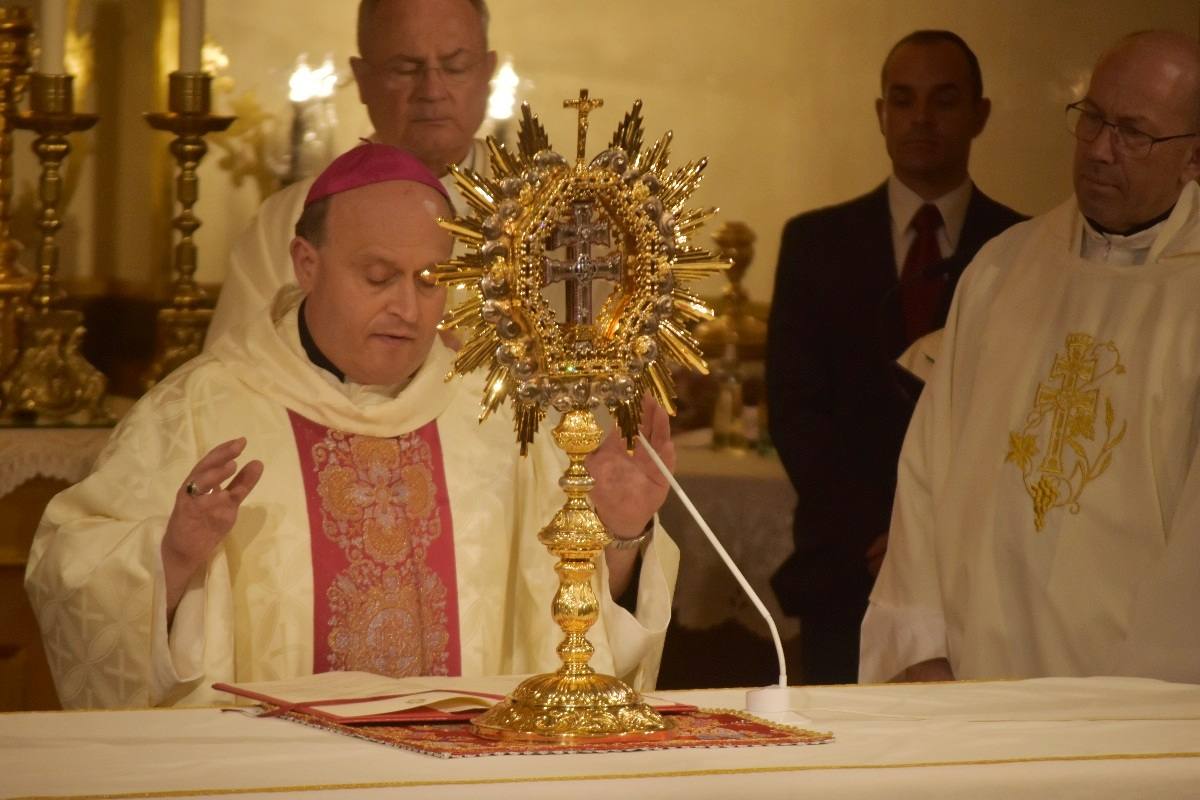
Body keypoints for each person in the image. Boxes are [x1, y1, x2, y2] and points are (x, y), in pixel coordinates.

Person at [25, 143, 679, 709]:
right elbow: (70, 577)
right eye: (377, 276)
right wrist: (169, 559)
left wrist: (619, 536)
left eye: (429, 281)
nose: (406, 306)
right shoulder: (199, 410)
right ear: (306, 264)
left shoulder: (502, 417)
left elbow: (573, 645)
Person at [860, 30, 1200, 684]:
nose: (1101, 149)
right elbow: (927, 468)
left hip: (1136, 706)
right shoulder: (1004, 267)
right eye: (1093, 118)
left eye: (1134, 133)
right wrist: (920, 641)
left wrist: (1149, 715)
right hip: (967, 682)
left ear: (1193, 159)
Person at [767, 30, 1024, 684]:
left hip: (974, 574)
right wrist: (882, 535)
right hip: (846, 565)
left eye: (943, 100)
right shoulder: (814, 243)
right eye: (903, 100)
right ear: (880, 113)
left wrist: (932, 541)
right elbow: (796, 410)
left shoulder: (1022, 251)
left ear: (980, 114)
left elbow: (1017, 419)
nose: (920, 119)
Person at [205, 0, 496, 345]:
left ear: (487, 74)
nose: (432, 91)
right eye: (405, 69)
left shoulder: (546, 213)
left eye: (456, 67)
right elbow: (235, 378)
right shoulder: (288, 220)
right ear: (362, 80)